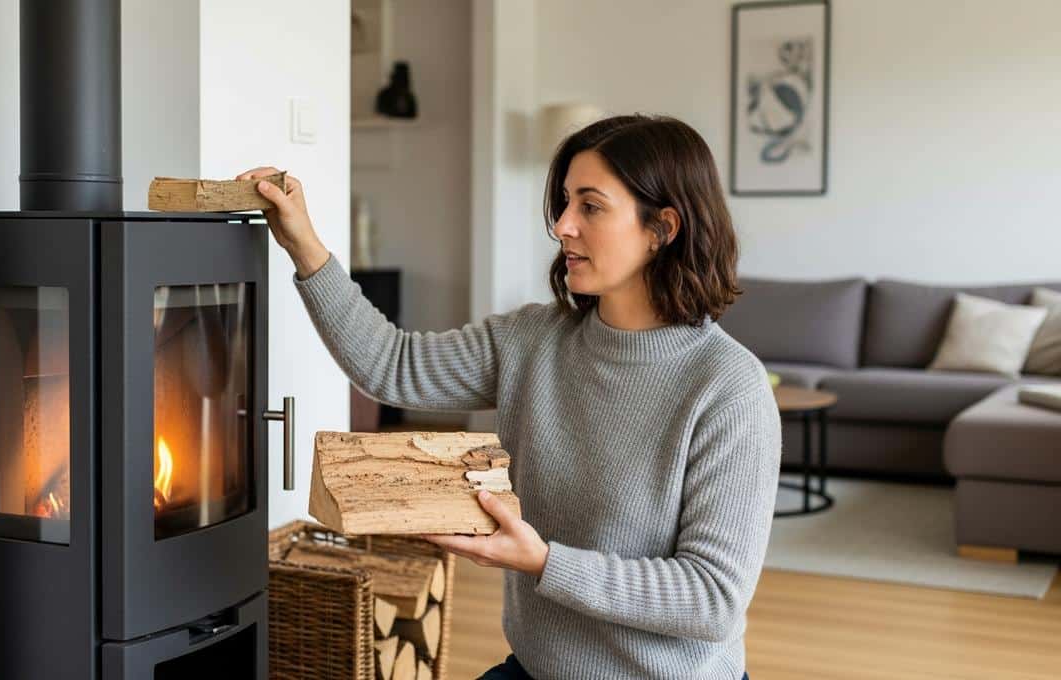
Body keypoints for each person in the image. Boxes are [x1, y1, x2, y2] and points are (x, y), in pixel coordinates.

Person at [239, 114, 777, 680]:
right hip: (537, 669)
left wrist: (544, 562)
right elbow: (392, 365)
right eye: (565, 202)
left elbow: (712, 599)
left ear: (661, 229)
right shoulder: (534, 339)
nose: (563, 225)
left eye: (590, 207)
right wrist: (303, 242)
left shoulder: (726, 387)